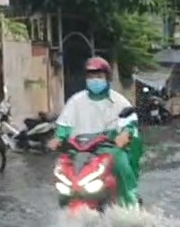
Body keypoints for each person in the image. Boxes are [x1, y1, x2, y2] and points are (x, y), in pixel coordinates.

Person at [51, 56, 142, 205]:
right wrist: (58, 138)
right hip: (79, 149)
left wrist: (125, 134)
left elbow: (130, 124)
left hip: (108, 148)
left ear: (107, 78)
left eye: (99, 76)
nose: (95, 80)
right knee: (62, 170)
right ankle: (65, 203)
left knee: (121, 161)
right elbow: (64, 126)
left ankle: (130, 202)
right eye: (91, 76)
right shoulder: (76, 101)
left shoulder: (119, 101)